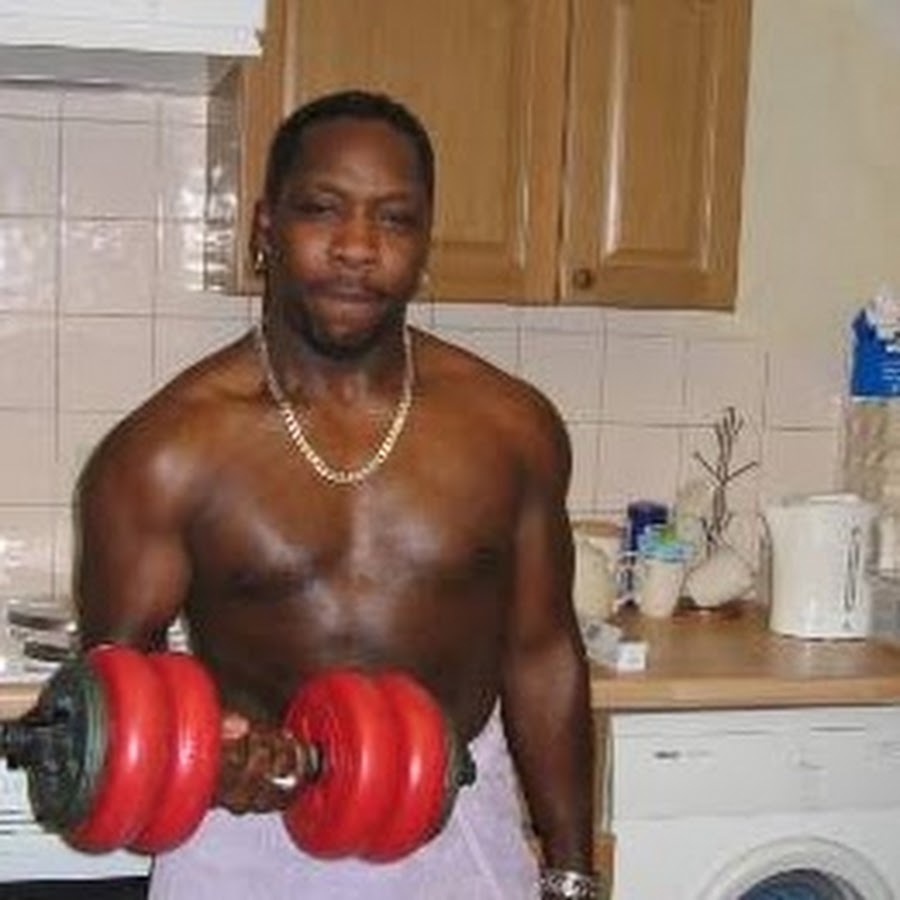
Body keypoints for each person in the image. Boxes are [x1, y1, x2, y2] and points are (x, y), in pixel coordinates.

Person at [73, 89, 597, 899]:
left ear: (426, 242)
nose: (357, 247)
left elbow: (542, 652)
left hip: (454, 828)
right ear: (265, 229)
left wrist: (572, 873)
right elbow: (113, 700)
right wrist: (208, 759)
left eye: (395, 218)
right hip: (246, 843)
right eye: (322, 209)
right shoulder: (164, 453)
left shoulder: (510, 430)